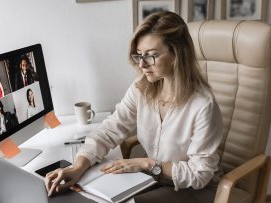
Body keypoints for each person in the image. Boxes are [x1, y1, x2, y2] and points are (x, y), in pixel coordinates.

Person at [45, 11, 223, 203]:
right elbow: (110, 129)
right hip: (154, 180)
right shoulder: (142, 88)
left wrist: (147, 164)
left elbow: (200, 175)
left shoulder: (203, 105)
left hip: (196, 190)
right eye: (139, 55)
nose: (143, 64)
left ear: (177, 54)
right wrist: (77, 167)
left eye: (152, 56)